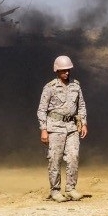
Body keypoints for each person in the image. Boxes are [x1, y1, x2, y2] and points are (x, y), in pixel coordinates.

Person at [37, 55, 88, 202]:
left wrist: (83, 123)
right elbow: (41, 110)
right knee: (55, 159)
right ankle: (55, 190)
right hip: (55, 127)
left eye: (68, 70)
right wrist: (43, 129)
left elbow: (81, 105)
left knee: (73, 157)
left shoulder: (76, 86)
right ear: (57, 71)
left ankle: (71, 189)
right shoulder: (50, 87)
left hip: (72, 127)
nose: (66, 72)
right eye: (63, 70)